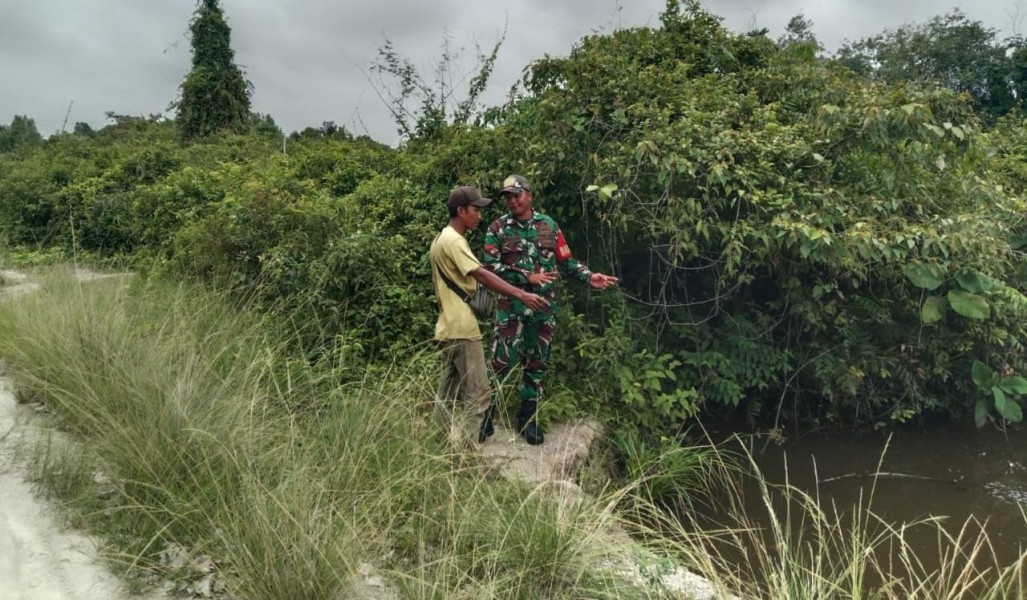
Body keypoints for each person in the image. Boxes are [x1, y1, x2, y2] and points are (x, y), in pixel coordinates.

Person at [484, 175, 619, 445]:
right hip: (511, 309)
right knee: (500, 362)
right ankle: (485, 417)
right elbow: (489, 268)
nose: (512, 200)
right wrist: (526, 277)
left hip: (543, 310)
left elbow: (566, 262)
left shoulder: (549, 226)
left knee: (537, 365)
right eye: (508, 197)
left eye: (516, 195)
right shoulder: (498, 228)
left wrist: (589, 276)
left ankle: (527, 419)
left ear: (530, 195)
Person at [430, 185, 549, 449]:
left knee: (448, 394)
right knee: (479, 394)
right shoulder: (455, 241)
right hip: (462, 328)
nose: (479, 215)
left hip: (447, 326)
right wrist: (522, 294)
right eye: (475, 210)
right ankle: (467, 455)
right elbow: (482, 274)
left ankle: (437, 447)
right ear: (461, 211)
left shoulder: (440, 239)